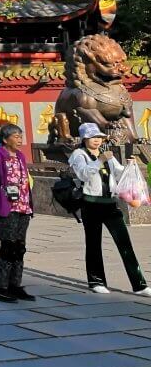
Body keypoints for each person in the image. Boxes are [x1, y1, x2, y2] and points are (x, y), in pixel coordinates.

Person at [69, 122, 148, 295]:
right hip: (91, 204)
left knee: (124, 243)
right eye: (92, 137)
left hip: (110, 204)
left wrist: (129, 166)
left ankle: (140, 284)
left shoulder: (107, 153)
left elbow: (118, 173)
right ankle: (96, 281)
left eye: (98, 137)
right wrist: (100, 161)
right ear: (84, 139)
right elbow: (83, 174)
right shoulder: (78, 154)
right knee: (93, 243)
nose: (96, 140)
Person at [0, 122, 35, 303]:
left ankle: (15, 285)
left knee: (19, 248)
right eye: (16, 136)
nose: (20, 140)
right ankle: (0, 288)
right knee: (8, 247)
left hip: (23, 207)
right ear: (5, 139)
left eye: (21, 136)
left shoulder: (20, 156)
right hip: (6, 208)